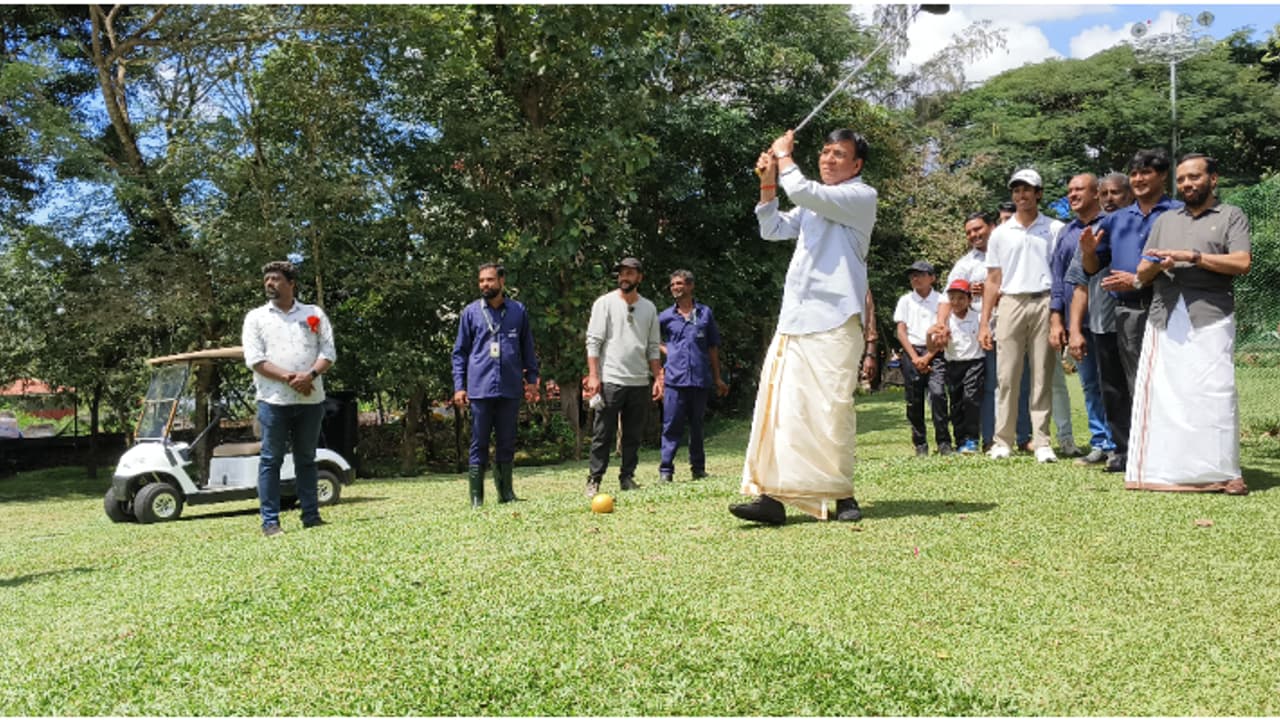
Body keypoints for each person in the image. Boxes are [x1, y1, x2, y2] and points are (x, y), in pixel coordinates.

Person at [731, 128, 875, 525]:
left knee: (833, 409)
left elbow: (805, 192)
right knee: (783, 411)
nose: (828, 159)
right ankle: (773, 497)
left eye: (839, 155)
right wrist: (766, 181)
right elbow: (772, 228)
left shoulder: (860, 197)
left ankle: (842, 494)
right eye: (825, 153)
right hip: (796, 318)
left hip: (836, 318)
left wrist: (783, 156)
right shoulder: (813, 202)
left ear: (856, 165)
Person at [1128, 153, 1251, 494]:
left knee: (1215, 392)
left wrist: (1192, 257)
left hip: (1212, 313)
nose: (1186, 184)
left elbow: (1242, 263)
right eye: (1181, 179)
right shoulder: (1165, 220)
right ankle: (1162, 473)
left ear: (1213, 179)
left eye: (1194, 177)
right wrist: (1158, 265)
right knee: (1167, 393)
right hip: (1165, 313)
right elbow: (1142, 270)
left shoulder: (1231, 216)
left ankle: (1225, 473)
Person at [1080, 150, 1183, 473]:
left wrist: (1138, 279)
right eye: (1135, 173)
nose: (1138, 179)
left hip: (1167, 307)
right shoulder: (1115, 220)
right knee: (1119, 384)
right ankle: (1125, 451)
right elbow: (1094, 266)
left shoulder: (1178, 213)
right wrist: (1086, 252)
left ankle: (1167, 451)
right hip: (1124, 312)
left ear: (1162, 176)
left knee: (1165, 381)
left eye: (1146, 173)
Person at [242, 260, 336, 537]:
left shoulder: (313, 314)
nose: (269, 283)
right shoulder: (256, 318)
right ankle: (270, 522)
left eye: (275, 279)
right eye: (267, 279)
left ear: (291, 283)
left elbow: (328, 351)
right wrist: (292, 379)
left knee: (306, 459)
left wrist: (310, 376)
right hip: (273, 402)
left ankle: (311, 516)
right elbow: (255, 360)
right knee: (271, 460)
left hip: (311, 400)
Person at [978, 169, 1064, 463]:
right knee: (1007, 375)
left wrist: (1058, 315)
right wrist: (984, 323)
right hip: (1011, 302)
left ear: (1039, 193)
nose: (1021, 195)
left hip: (1044, 299)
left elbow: (1062, 274)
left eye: (1027, 190)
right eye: (1016, 191)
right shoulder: (1000, 233)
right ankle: (1002, 440)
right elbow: (992, 279)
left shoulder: (1054, 229)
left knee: (1042, 374)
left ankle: (1041, 441)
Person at [451, 263, 540, 507]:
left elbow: (528, 349)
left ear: (502, 281)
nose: (485, 285)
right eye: (481, 281)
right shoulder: (470, 313)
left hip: (510, 388)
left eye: (490, 280)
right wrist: (460, 386)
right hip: (479, 389)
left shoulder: (518, 311)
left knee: (507, 441)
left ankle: (506, 493)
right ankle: (477, 497)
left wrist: (532, 380)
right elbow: (459, 353)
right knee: (478, 441)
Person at [584, 257, 663, 497]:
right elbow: (593, 342)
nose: (624, 277)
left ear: (640, 277)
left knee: (633, 434)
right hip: (610, 380)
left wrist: (658, 377)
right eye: (622, 273)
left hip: (639, 380)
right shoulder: (604, 303)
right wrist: (594, 376)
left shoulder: (649, 308)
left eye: (630, 273)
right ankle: (594, 480)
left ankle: (627, 477)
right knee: (602, 433)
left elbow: (652, 347)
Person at [1050, 173, 1111, 464]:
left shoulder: (1110, 224)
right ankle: (1100, 442)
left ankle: (1120, 441)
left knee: (1114, 382)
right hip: (1079, 323)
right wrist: (1057, 319)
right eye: (1070, 191)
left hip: (1111, 319)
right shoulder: (1066, 232)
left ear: (1096, 193)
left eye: (1079, 190)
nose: (1073, 195)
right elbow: (1059, 279)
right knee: (1089, 383)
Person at [657, 269, 728, 483]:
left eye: (679, 284)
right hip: (675, 381)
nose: (676, 288)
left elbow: (713, 347)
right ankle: (666, 471)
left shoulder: (705, 313)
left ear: (690, 286)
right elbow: (650, 340)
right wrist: (668, 351)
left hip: (699, 379)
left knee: (697, 426)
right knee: (671, 426)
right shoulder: (666, 316)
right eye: (673, 285)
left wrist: (717, 378)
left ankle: (698, 469)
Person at [895, 261, 951, 456]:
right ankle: (920, 444)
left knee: (938, 395)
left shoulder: (942, 300)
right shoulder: (905, 300)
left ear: (932, 278)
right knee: (914, 401)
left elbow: (943, 331)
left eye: (920, 274)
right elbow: (901, 331)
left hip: (935, 353)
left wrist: (927, 357)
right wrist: (914, 358)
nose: (915, 279)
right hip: (912, 352)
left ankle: (944, 442)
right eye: (912, 275)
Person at [942, 279, 985, 454]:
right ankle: (960, 440)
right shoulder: (945, 320)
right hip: (953, 364)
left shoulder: (978, 317)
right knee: (956, 403)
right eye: (952, 298)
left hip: (974, 362)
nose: (956, 302)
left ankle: (972, 438)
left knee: (971, 399)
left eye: (961, 298)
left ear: (969, 300)